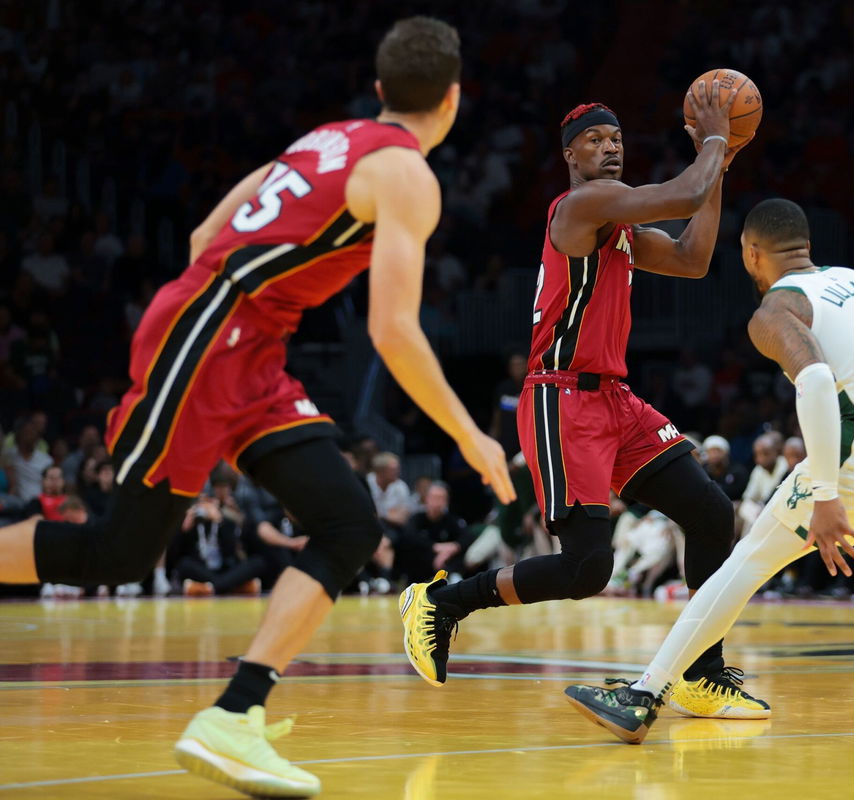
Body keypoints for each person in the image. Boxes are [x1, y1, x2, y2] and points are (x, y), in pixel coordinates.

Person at [0, 17, 513, 799]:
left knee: (347, 523)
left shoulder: (327, 139)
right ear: (453, 98)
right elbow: (392, 329)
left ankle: (235, 714)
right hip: (212, 337)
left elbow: (208, 230)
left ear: (379, 92)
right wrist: (471, 434)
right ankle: (232, 714)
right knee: (119, 552)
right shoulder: (408, 175)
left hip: (245, 342)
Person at [562, 198, 854, 744]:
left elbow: (820, 382)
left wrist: (828, 490)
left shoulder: (775, 310)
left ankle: (643, 695)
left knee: (744, 565)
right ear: (805, 244)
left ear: (751, 253)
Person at [400, 82, 771, 719]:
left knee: (712, 514)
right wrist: (713, 141)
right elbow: (681, 193)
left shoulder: (618, 227)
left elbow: (693, 258)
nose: (610, 149)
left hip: (616, 401)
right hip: (561, 398)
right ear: (571, 157)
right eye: (595, 141)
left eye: (617, 139)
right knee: (587, 570)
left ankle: (701, 673)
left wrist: (723, 165)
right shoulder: (582, 205)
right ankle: (442, 603)